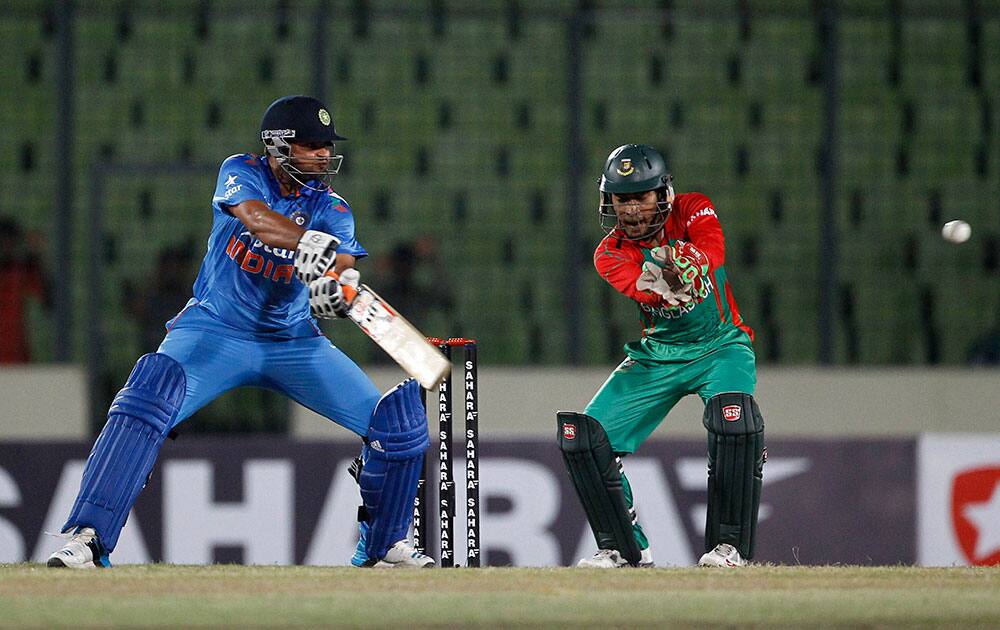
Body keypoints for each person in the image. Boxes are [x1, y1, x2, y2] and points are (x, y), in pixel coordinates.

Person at [47, 95, 433, 569]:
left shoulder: (331, 205)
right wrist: (309, 244)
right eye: (311, 146)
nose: (322, 156)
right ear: (278, 146)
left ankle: (386, 544)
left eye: (325, 147)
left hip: (293, 341)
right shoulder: (242, 170)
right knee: (146, 399)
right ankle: (87, 536)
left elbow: (344, 261)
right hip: (214, 329)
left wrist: (335, 280)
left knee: (396, 426)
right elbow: (254, 219)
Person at [558, 144, 765, 568]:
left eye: (640, 197)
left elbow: (714, 250)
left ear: (662, 194)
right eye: (621, 199)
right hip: (658, 354)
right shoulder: (609, 253)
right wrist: (671, 276)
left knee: (735, 422)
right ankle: (623, 547)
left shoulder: (693, 208)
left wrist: (694, 259)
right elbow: (647, 290)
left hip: (721, 344)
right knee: (586, 438)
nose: (631, 210)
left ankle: (729, 550)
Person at [0, 217, 49, 363]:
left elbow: (48, 299)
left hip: (16, 356)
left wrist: (37, 256)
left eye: (10, 242)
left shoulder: (20, 272)